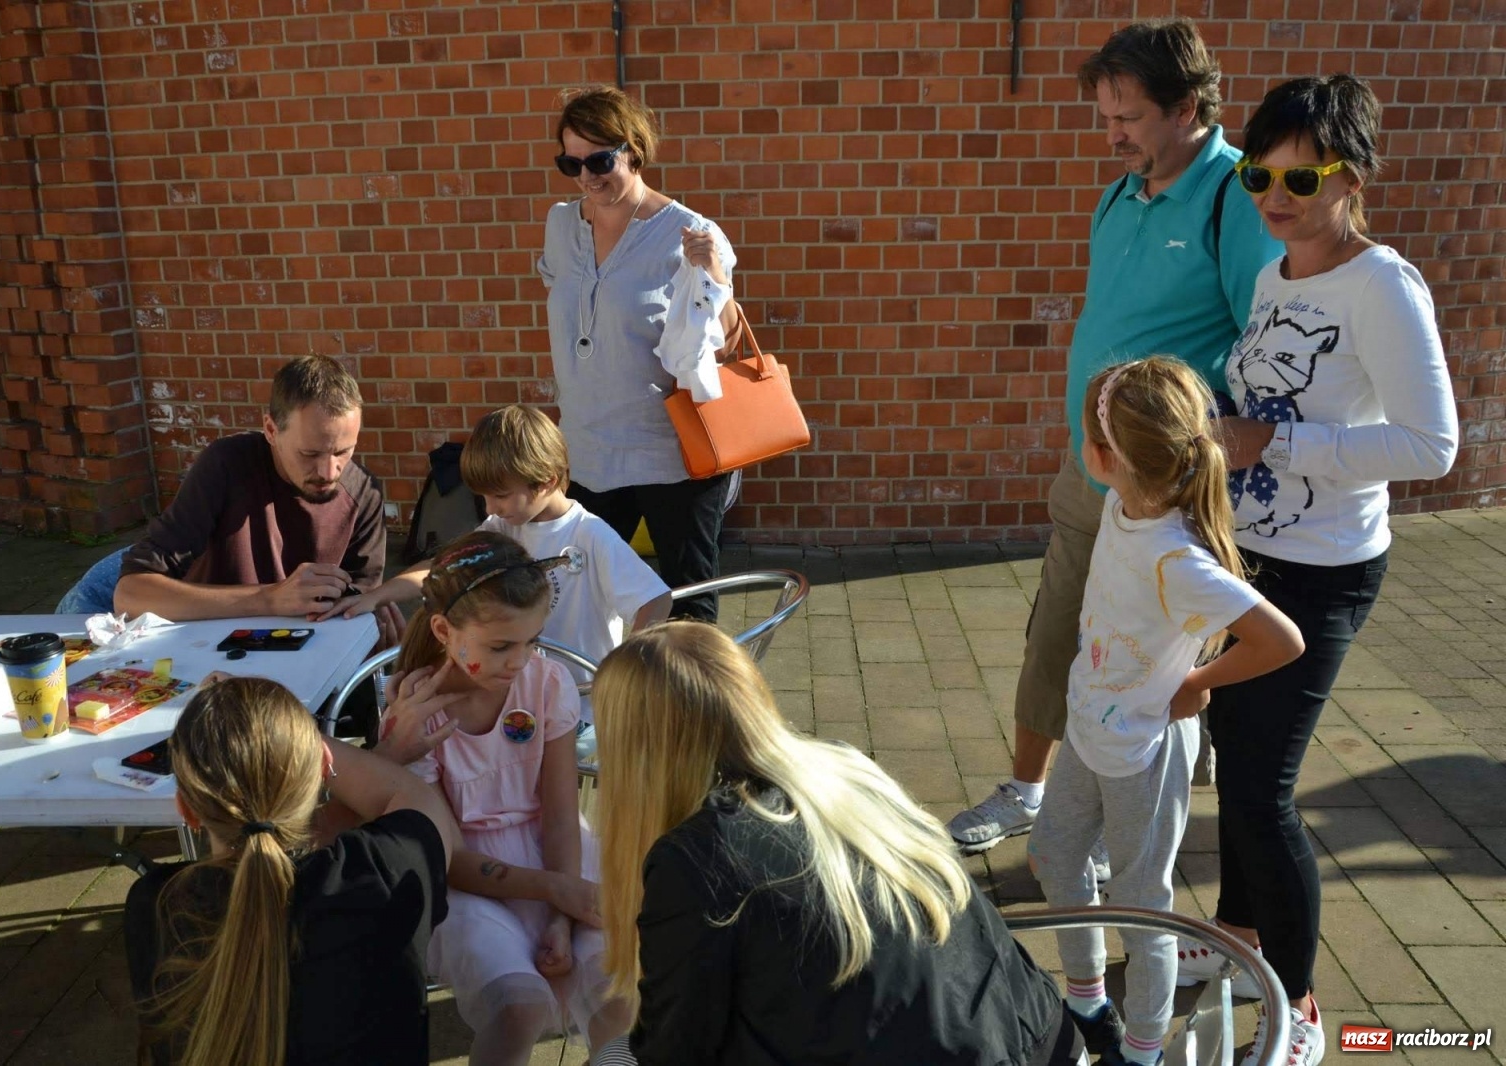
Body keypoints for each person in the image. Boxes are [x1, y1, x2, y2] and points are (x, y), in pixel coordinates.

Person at [950, 17, 1285, 868]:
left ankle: (1114, 826)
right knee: (1058, 633)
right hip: (1090, 466)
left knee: (1144, 659)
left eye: (1127, 117)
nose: (1112, 135)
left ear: (1188, 107)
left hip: (1163, 486)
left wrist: (1196, 449)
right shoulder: (1121, 190)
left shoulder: (1233, 197)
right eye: (1105, 115)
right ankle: (1032, 791)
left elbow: (1263, 342)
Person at [1200, 75, 1458, 1066]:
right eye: (1260, 172)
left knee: (1264, 786)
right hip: (1253, 554)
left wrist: (1272, 441)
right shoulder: (1276, 272)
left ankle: (1300, 1009)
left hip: (1323, 570)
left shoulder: (1379, 284)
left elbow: (1430, 445)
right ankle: (1234, 940)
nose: (1275, 193)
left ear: (1353, 174)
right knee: (1233, 747)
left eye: (1301, 176)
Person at [588, 621, 1085, 1066]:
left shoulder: (692, 861)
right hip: (1042, 1036)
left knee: (611, 1041)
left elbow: (672, 1050)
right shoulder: (842, 767)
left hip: (967, 1047)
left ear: (633, 745)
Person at [1026, 358, 1304, 1066]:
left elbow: (1282, 639)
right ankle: (1088, 1000)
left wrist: (1199, 681)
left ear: (1104, 457)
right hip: (1090, 727)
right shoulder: (1121, 508)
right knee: (1055, 853)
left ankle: (1143, 1048)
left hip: (1145, 753)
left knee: (1142, 908)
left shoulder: (1180, 561)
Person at [374, 530, 632, 1065]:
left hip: (557, 853)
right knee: (515, 1005)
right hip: (465, 880)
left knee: (617, 989)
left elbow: (562, 814)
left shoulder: (546, 683)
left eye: (532, 641)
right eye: (500, 646)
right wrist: (556, 891)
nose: (521, 661)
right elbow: (447, 857)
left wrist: (561, 915)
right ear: (445, 631)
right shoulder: (417, 716)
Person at [123, 675, 462, 1066]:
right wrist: (298, 735)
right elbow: (414, 799)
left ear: (186, 811)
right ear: (324, 766)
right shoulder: (382, 872)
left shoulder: (157, 905)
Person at [322, 404, 672, 764]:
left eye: (500, 495)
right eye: (484, 496)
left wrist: (625, 672)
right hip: (519, 696)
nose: (490, 506)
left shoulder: (589, 534)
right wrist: (377, 596)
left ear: (547, 480)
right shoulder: (503, 527)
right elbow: (444, 567)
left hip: (579, 708)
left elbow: (656, 599)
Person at [539, 86, 745, 623]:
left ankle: (694, 707)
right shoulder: (562, 226)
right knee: (575, 603)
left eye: (600, 160)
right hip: (586, 449)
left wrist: (715, 277)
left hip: (670, 453)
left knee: (687, 612)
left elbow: (725, 340)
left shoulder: (689, 233)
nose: (586, 176)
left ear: (634, 148)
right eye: (571, 163)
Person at [113, 354, 403, 648]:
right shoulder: (226, 467)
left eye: (343, 452)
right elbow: (131, 594)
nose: (329, 472)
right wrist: (270, 599)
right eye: (310, 454)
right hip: (207, 652)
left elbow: (358, 611)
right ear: (271, 430)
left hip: (308, 659)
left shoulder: (363, 492)